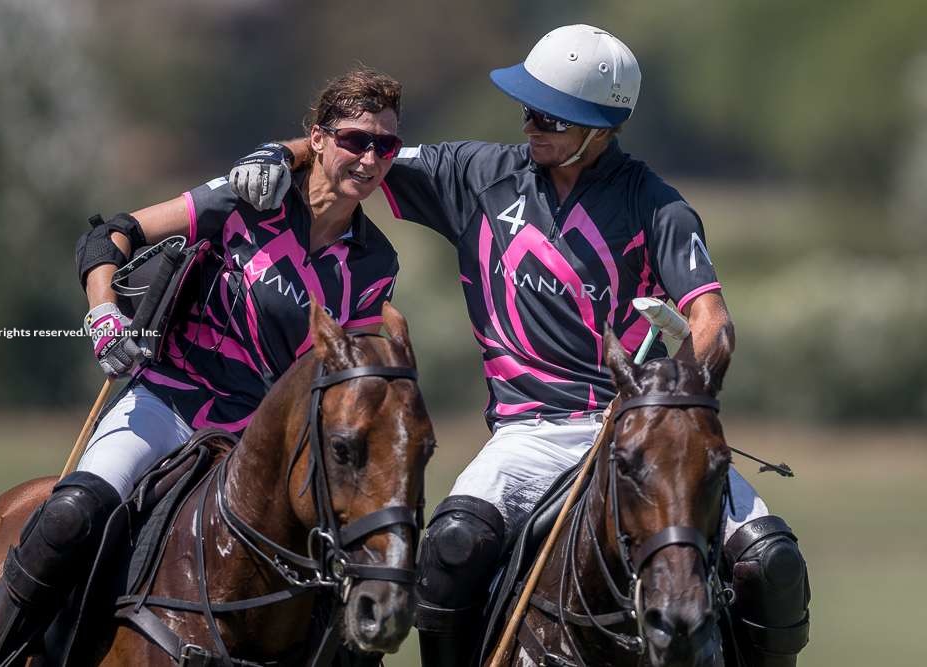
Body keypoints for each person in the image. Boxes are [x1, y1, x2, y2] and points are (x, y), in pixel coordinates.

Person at [229, 25, 810, 667]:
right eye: (527, 108)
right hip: (526, 431)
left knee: (771, 564)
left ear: (599, 130)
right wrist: (278, 156)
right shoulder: (477, 175)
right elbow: (360, 148)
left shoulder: (657, 207)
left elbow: (712, 322)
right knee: (450, 549)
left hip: (635, 428)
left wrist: (667, 405)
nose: (529, 123)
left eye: (549, 117)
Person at [0, 67, 406, 666]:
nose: (370, 158)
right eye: (355, 140)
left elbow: (348, 381)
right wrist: (104, 312)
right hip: (169, 404)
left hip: (265, 444)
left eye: (385, 146)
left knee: (354, 585)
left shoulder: (375, 262)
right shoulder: (245, 202)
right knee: (72, 515)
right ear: (318, 138)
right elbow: (111, 236)